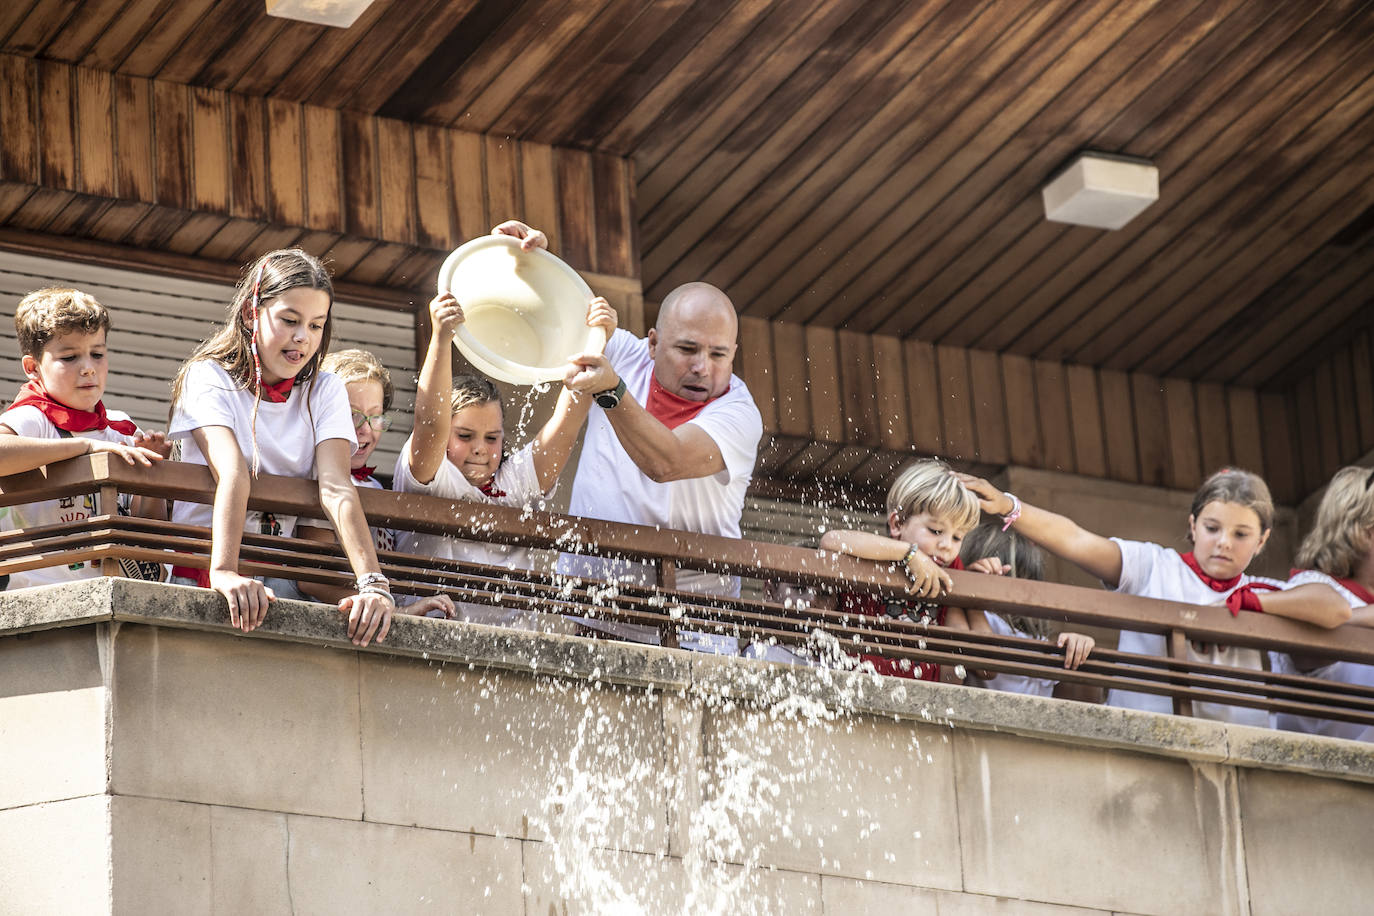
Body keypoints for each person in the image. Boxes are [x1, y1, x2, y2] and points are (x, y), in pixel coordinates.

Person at [957, 468, 1351, 725]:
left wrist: (1250, 604)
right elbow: (1075, 539)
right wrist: (1011, 505)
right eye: (1213, 527)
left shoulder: (1265, 592)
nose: (1224, 543)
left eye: (1241, 534)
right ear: (1193, 525)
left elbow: (1334, 606)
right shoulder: (1153, 566)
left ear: (1263, 540)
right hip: (1145, 736)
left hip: (1241, 751)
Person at [167, 248, 395, 647]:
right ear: (252, 313)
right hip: (202, 570)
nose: (302, 337)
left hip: (279, 574)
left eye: (316, 325)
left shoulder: (325, 389)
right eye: (289, 320)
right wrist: (225, 570)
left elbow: (337, 487)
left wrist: (374, 586)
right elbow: (233, 471)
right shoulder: (206, 376)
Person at [550, 278, 765, 654]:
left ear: (734, 354)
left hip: (695, 632)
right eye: (688, 349)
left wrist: (612, 391)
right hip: (593, 613)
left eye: (718, 355)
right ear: (652, 343)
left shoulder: (740, 412)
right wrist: (530, 253)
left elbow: (665, 462)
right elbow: (559, 301)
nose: (702, 367)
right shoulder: (622, 356)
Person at [392, 283, 617, 631]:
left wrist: (597, 339)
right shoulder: (430, 474)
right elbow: (430, 421)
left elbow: (566, 425)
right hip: (430, 632)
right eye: (465, 436)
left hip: (509, 641)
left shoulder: (514, 479)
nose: (480, 448)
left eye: (492, 438)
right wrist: (441, 337)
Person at [263, 348, 455, 620]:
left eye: (375, 417)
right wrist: (396, 609)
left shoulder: (374, 485)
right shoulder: (319, 474)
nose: (365, 429)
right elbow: (311, 578)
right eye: (351, 414)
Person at [0, 288, 171, 589]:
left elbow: (146, 533)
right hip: (42, 593)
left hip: (116, 590)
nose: (88, 367)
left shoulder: (122, 427)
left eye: (97, 353)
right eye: (69, 357)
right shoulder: (33, 417)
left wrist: (150, 477)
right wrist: (87, 446)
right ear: (32, 368)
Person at [819, 459, 978, 681]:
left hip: (921, 692)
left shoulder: (951, 567)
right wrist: (908, 553)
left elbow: (956, 650)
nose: (947, 545)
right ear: (897, 524)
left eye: (957, 537)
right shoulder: (877, 553)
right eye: (935, 530)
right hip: (858, 681)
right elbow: (831, 540)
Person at [1270, 466, 1373, 741]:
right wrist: (1361, 618)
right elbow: (1306, 653)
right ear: (1365, 534)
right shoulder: (1313, 587)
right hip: (1324, 770)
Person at [958, 522, 1095, 696]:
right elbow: (986, 666)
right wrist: (972, 598)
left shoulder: (1037, 643)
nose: (1022, 595)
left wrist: (1080, 646)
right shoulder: (971, 618)